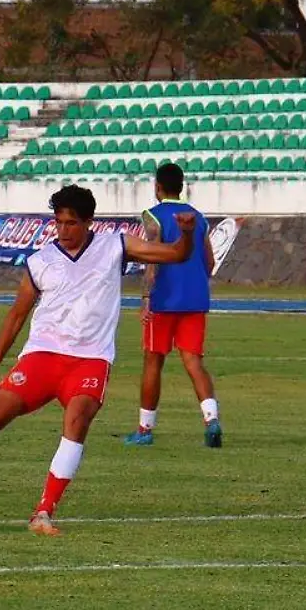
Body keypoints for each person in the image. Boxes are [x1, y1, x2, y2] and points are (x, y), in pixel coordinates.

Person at [0, 185, 197, 534]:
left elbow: (176, 254)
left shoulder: (116, 244)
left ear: (89, 222)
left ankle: (43, 513)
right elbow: (16, 316)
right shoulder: (40, 261)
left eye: (71, 223)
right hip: (43, 355)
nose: (63, 230)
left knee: (77, 422)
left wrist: (188, 234)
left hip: (90, 360)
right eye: (59, 222)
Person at [124, 162, 221, 448]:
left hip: (164, 300)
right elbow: (210, 262)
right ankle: (211, 420)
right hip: (195, 299)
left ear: (157, 187)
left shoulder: (153, 216)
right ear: (182, 186)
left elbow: (152, 258)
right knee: (193, 362)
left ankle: (145, 429)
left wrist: (145, 297)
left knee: (153, 361)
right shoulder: (198, 217)